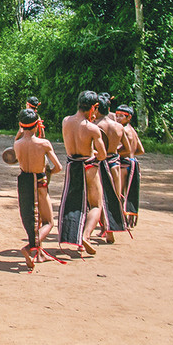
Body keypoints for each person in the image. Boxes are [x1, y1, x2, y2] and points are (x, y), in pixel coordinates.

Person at [13, 108, 62, 269]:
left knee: (31, 217)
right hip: (40, 182)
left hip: (24, 181)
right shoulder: (43, 144)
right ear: (36, 126)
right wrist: (48, 173)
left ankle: (39, 253)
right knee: (48, 222)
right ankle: (29, 247)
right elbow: (58, 167)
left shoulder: (17, 144)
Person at [59, 91, 106, 255]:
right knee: (95, 205)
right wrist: (94, 157)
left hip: (73, 165)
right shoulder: (92, 128)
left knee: (77, 203)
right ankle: (86, 236)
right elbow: (103, 154)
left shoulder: (66, 121)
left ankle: (77, 236)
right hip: (88, 166)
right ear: (94, 107)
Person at [93, 93, 129, 241]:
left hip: (100, 163)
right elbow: (127, 149)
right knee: (115, 195)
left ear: (96, 109)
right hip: (115, 162)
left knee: (100, 197)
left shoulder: (95, 127)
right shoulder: (118, 127)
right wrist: (114, 152)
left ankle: (104, 228)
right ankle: (111, 229)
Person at [116, 104, 144, 227]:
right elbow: (141, 150)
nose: (118, 119)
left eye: (121, 116)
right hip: (133, 162)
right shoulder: (132, 130)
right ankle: (129, 217)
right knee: (130, 192)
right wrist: (131, 154)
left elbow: (125, 149)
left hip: (124, 164)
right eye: (116, 116)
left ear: (129, 117)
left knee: (120, 192)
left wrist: (115, 152)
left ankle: (121, 219)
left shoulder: (123, 130)